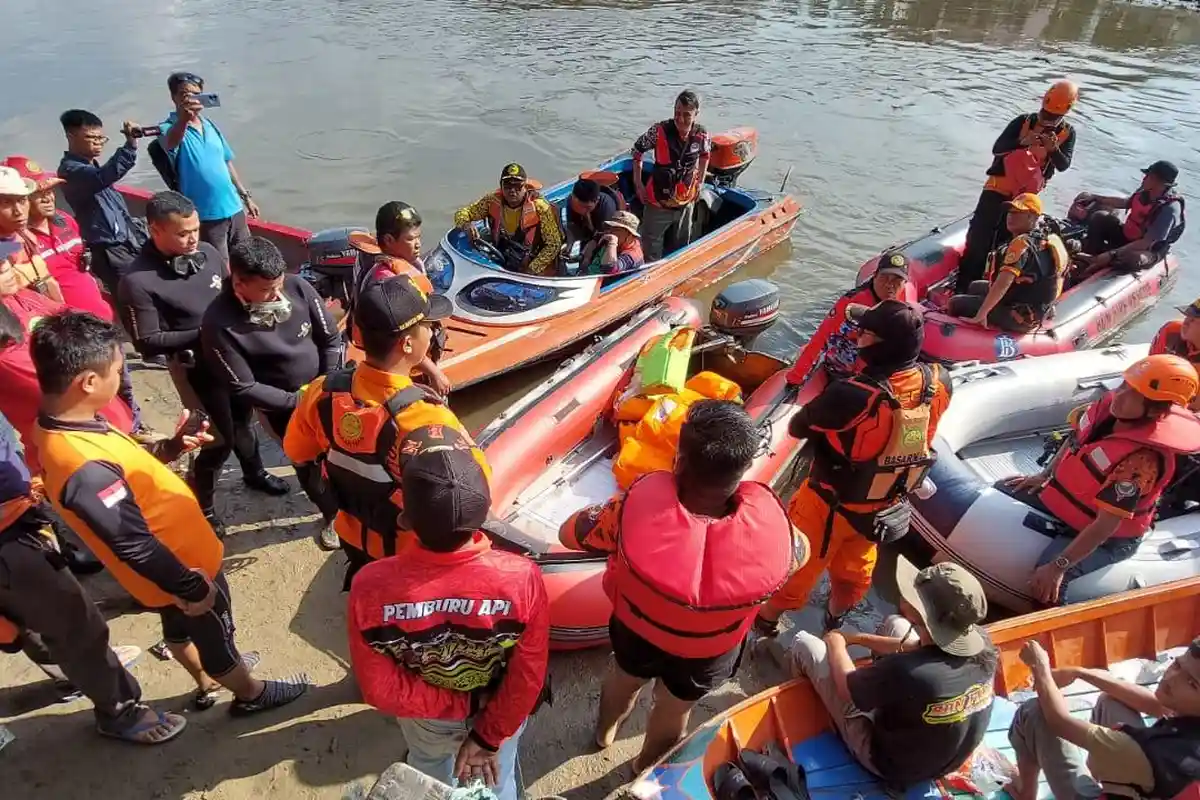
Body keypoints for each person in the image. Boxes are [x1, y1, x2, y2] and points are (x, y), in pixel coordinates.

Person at [31, 311, 309, 715]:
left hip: (167, 576)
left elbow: (127, 472)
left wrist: (173, 447)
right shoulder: (80, 466)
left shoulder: (73, 424)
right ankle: (250, 692)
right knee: (216, 634)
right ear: (87, 382)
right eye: (115, 369)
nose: (120, 376)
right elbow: (134, 544)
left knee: (181, 632)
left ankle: (205, 679)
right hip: (183, 572)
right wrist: (192, 588)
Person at [559, 400, 799, 771]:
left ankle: (603, 735)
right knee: (675, 709)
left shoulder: (627, 512)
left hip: (638, 629)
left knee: (623, 680)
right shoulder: (777, 536)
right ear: (744, 468)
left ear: (679, 460)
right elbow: (798, 554)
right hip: (709, 650)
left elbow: (571, 533)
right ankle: (644, 766)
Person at [348, 445, 549, 800]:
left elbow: (380, 689)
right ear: (485, 512)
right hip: (497, 705)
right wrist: (486, 735)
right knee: (496, 779)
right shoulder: (521, 577)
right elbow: (528, 674)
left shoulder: (370, 586)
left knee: (429, 771)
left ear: (406, 520)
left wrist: (458, 708)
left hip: (427, 718)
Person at [755, 300, 952, 635]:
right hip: (880, 509)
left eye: (866, 333)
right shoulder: (939, 380)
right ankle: (834, 624)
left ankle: (765, 624)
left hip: (827, 503)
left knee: (796, 569)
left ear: (881, 346)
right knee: (854, 575)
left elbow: (799, 427)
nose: (858, 336)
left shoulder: (855, 394)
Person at [283, 274, 491, 587]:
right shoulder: (427, 419)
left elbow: (297, 451)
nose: (434, 332)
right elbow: (476, 493)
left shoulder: (321, 392)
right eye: (429, 327)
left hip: (353, 535)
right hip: (407, 553)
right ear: (407, 343)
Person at [0, 408, 185, 744]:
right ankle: (120, 711)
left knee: (33, 617)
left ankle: (74, 673)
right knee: (76, 624)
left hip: (16, 520)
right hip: (8, 540)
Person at [118, 191, 287, 532]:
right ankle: (205, 505)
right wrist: (209, 332)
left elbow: (231, 295)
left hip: (233, 356)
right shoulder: (137, 280)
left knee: (243, 419)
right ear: (156, 230)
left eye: (195, 228)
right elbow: (147, 341)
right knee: (215, 438)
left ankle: (254, 473)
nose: (193, 237)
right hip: (194, 369)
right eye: (183, 233)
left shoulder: (208, 253)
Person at [1001, 354, 1200, 605]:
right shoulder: (1108, 412)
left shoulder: (1141, 461)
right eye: (1124, 385)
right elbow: (1075, 441)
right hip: (1067, 501)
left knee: (1046, 586)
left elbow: (1106, 525)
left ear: (1154, 409)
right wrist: (1043, 475)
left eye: (1133, 394)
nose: (1120, 395)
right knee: (1003, 487)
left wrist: (1059, 566)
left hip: (1110, 539)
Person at [780, 557, 996, 787]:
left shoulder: (909, 672)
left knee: (805, 644)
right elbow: (914, 647)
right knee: (896, 624)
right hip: (945, 757)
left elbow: (846, 688)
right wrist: (858, 639)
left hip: (889, 764)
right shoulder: (984, 646)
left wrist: (836, 643)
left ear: (923, 614)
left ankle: (799, 706)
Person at [202, 236, 342, 548]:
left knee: (342, 451)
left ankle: (352, 502)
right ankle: (331, 514)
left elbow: (330, 340)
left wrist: (328, 384)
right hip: (283, 407)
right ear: (240, 283)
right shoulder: (218, 323)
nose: (277, 294)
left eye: (278, 285)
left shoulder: (297, 288)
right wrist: (300, 402)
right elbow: (243, 385)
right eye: (266, 291)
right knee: (306, 461)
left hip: (326, 391)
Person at [5, 156, 147, 432]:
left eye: (49, 191)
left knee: (122, 383)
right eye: (37, 194)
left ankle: (137, 430)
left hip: (98, 321)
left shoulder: (65, 222)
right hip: (70, 338)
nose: (47, 198)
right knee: (90, 398)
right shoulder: (14, 247)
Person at [1009, 637, 1200, 800]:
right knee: (1112, 700)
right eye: (1176, 664)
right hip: (1158, 786)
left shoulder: (1142, 749)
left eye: (1192, 683)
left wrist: (1039, 666)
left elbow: (1059, 721)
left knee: (1035, 711)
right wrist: (1081, 672)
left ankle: (1025, 793)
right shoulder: (1190, 722)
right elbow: (1155, 704)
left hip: (1143, 769)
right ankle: (1104, 777)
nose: (1172, 678)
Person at [0, 246, 135, 474]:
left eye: (4, 258)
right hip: (81, 457)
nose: (8, 265)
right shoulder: (5, 351)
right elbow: (70, 377)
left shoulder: (18, 297)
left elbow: (75, 317)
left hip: (111, 434)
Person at [956, 80, 1078, 293]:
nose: (1046, 120)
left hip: (1025, 199)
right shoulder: (1023, 122)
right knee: (978, 239)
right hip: (997, 187)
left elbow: (1063, 165)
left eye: (1052, 117)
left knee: (1008, 243)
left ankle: (993, 289)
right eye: (1045, 114)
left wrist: (1053, 149)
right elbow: (998, 148)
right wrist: (1023, 141)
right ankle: (963, 287)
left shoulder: (1067, 133)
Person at [348, 201, 451, 395]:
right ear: (388, 240)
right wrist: (434, 372)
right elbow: (399, 338)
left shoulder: (405, 262)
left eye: (419, 237)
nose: (418, 244)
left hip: (416, 350)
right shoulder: (389, 284)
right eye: (411, 239)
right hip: (402, 363)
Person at [159, 71, 259, 266]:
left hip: (234, 208)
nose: (190, 99)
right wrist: (183, 120)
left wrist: (246, 197)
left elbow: (227, 162)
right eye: (185, 94)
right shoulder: (167, 127)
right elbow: (170, 143)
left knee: (248, 259)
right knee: (220, 266)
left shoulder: (210, 125)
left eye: (196, 94)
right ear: (174, 97)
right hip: (206, 215)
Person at [785, 251, 914, 387]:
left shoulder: (905, 303)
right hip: (850, 362)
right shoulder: (852, 303)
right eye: (884, 278)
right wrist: (796, 377)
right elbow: (822, 337)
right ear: (874, 276)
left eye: (896, 280)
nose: (889, 285)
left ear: (905, 283)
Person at [948, 193, 1069, 333]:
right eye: (1010, 212)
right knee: (975, 286)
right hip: (1032, 303)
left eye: (1018, 212)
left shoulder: (1021, 244)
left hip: (1022, 315)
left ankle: (960, 335)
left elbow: (1003, 283)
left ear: (1032, 217)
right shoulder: (1044, 238)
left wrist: (981, 314)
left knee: (956, 303)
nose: (1011, 216)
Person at [56, 109, 149, 293]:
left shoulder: (90, 167)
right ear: (71, 137)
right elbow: (105, 175)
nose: (99, 144)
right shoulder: (71, 171)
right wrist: (130, 145)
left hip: (126, 240)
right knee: (130, 296)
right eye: (92, 138)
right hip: (108, 248)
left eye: (101, 138)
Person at [632, 90, 713, 262]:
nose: (680, 119)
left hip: (686, 202)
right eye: (677, 113)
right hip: (657, 204)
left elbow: (705, 155)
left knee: (681, 248)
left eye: (686, 115)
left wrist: (700, 182)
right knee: (650, 254)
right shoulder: (658, 130)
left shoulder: (702, 134)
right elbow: (637, 151)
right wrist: (638, 183)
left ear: (696, 115)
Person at [1075, 160, 1185, 274]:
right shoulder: (1144, 191)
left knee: (1134, 259)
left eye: (1150, 177)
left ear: (1161, 184)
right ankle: (1091, 256)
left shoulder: (1169, 209)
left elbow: (1147, 242)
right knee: (1100, 217)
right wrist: (1096, 198)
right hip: (1127, 236)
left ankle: (1106, 265)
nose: (1144, 178)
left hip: (1147, 249)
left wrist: (1113, 254)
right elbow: (1126, 202)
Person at [453, 163, 562, 275]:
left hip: (531, 263)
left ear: (525, 186)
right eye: (507, 186)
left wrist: (532, 269)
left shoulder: (540, 207)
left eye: (517, 186)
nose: (512, 191)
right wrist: (466, 225)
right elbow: (462, 213)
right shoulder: (491, 201)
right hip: (501, 254)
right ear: (501, 186)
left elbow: (554, 244)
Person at [0, 166, 63, 303]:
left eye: (22, 201)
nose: (18, 211)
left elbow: (49, 282)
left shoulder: (26, 238)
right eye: (6, 202)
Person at [1150, 298, 1200, 412]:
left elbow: (1195, 407)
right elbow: (1149, 367)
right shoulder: (1170, 331)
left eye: (1194, 320)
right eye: (1187, 315)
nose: (1186, 322)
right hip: (1155, 398)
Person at [566, 177, 619, 265]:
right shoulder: (571, 202)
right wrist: (569, 244)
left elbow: (602, 237)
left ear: (597, 200)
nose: (582, 210)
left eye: (587, 207)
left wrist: (586, 256)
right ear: (573, 197)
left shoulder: (607, 207)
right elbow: (572, 225)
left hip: (604, 234)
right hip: (587, 229)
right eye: (579, 206)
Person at [587, 210, 644, 275]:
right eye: (610, 227)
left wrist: (612, 243)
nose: (611, 232)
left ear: (630, 235)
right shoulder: (610, 236)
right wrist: (586, 258)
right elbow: (595, 238)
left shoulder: (633, 254)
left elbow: (609, 268)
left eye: (617, 229)